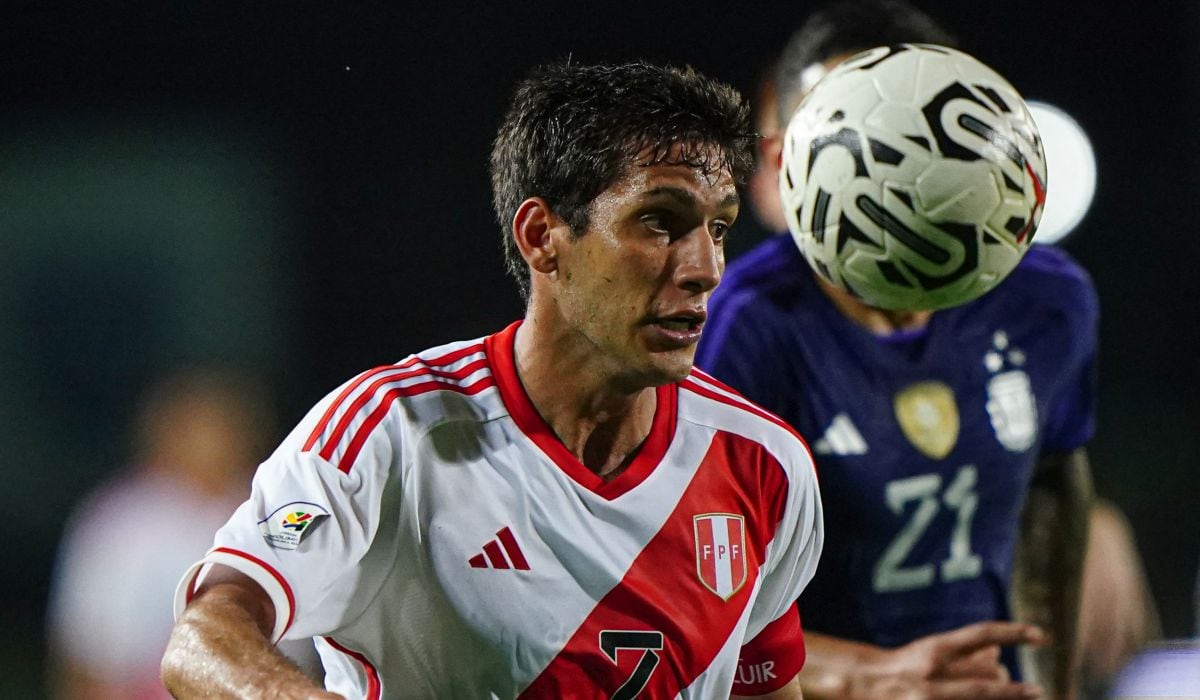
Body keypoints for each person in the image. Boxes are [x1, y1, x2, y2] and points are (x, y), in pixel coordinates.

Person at [160, 60, 824, 699]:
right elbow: (207, 632)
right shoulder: (390, 435)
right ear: (543, 236)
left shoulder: (762, 463)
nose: (707, 267)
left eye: (719, 228)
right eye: (660, 221)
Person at [696, 1, 1097, 698]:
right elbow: (695, 604)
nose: (887, 164)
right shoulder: (742, 330)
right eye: (853, 137)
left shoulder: (1049, 303)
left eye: (908, 136)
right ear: (781, 159)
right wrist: (871, 677)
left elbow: (1050, 491)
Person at [47, 367, 321, 699]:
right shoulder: (120, 517)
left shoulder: (281, 507)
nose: (212, 439)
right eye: (198, 425)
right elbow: (87, 653)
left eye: (225, 424)